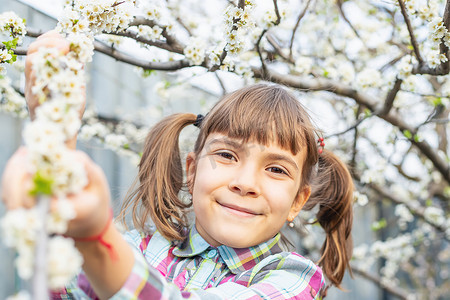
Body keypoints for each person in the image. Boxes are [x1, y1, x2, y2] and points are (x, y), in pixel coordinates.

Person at [2, 32, 354, 299]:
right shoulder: (139, 249)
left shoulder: (294, 278)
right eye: (227, 155)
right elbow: (57, 288)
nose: (246, 182)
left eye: (277, 169)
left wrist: (97, 239)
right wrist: (55, 133)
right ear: (192, 170)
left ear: (297, 200)